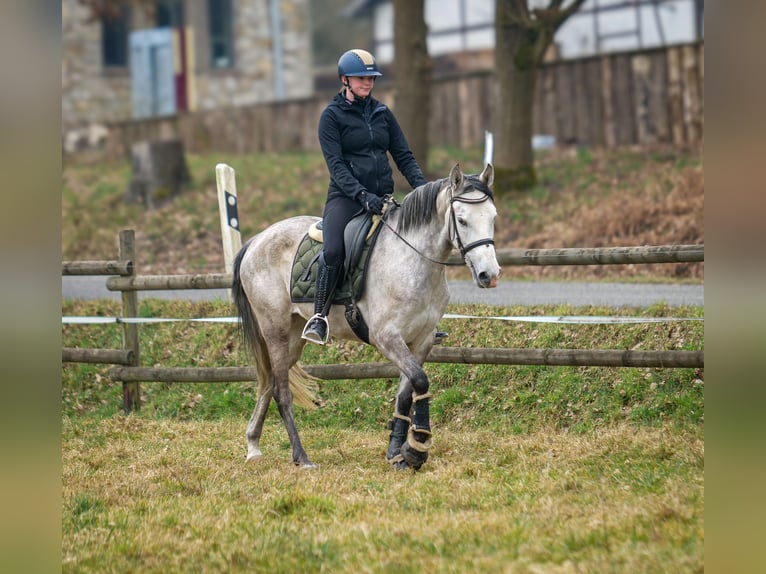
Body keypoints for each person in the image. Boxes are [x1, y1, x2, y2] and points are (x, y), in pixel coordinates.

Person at [302, 48, 428, 344]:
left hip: (383, 198)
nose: (368, 83)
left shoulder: (383, 113)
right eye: (361, 78)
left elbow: (404, 157)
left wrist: (423, 190)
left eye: (371, 78)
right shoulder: (331, 118)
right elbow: (337, 167)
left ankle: (419, 319)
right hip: (345, 199)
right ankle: (319, 316)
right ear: (344, 79)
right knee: (333, 250)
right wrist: (362, 195)